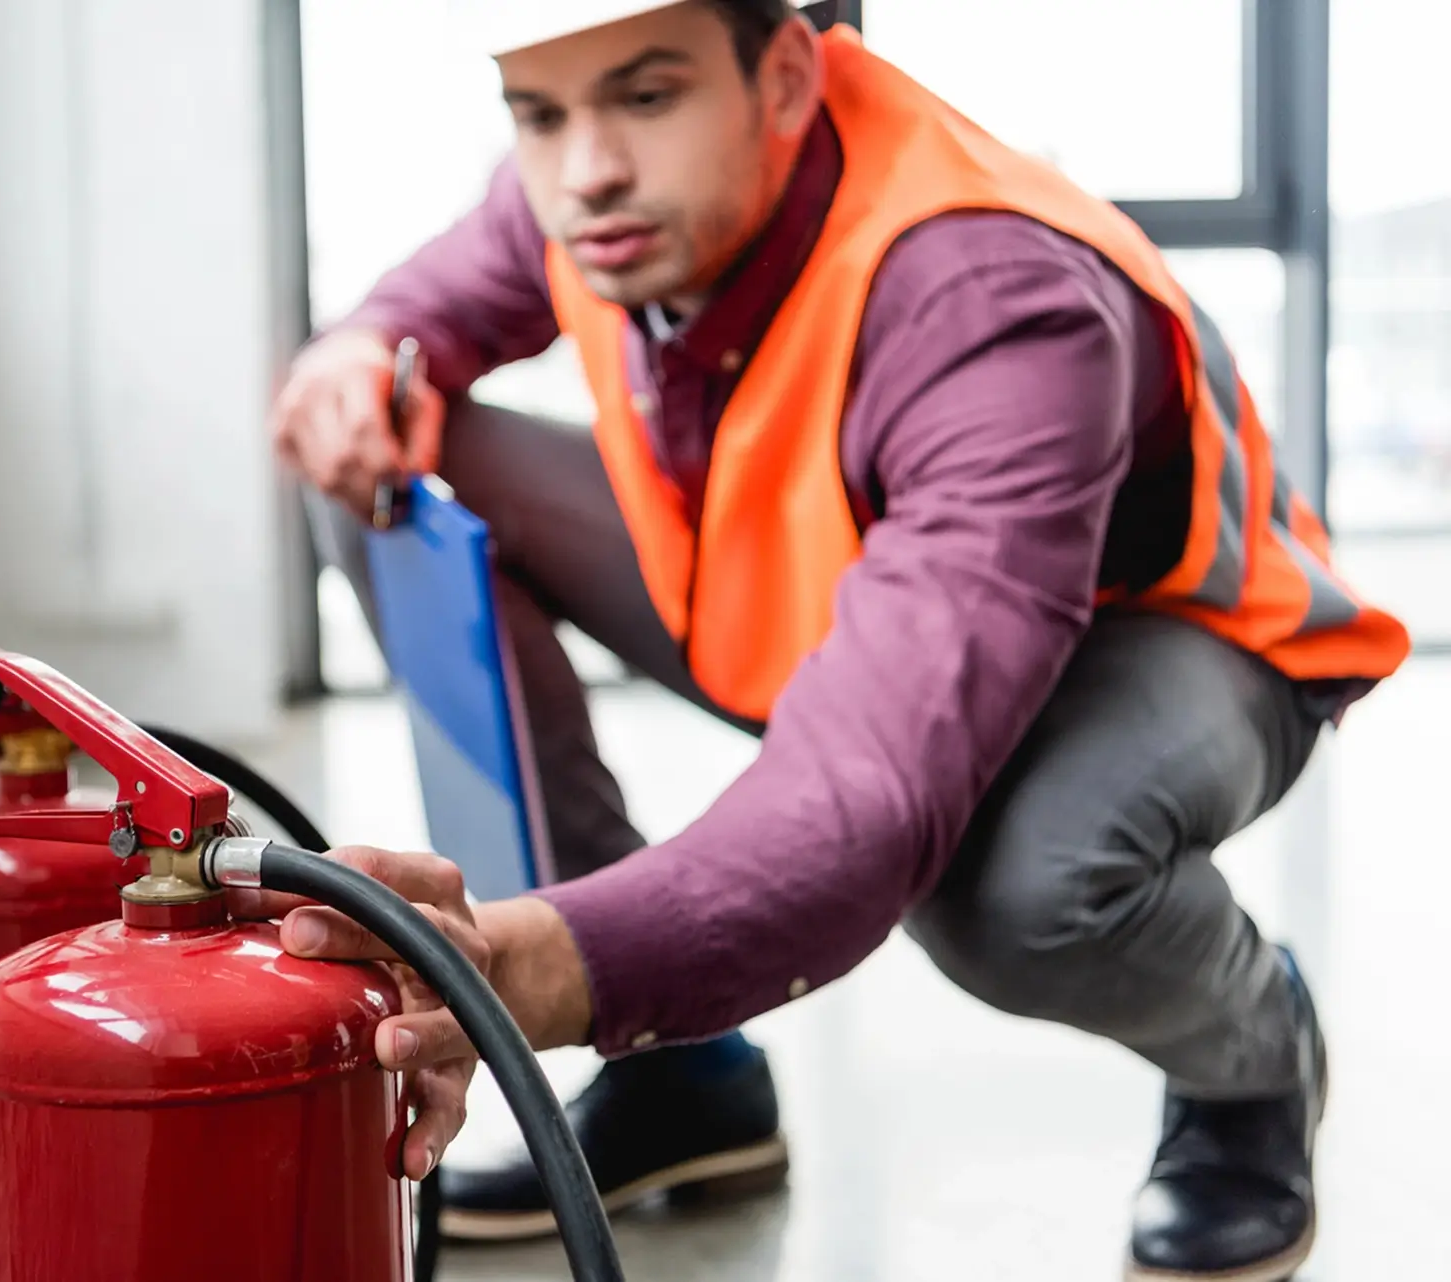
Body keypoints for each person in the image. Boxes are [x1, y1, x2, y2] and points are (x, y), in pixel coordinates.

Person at [257, 3, 1411, 1278]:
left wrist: (515, 967)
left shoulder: (992, 294)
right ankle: (685, 1086)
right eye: (540, 113)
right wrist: (358, 348)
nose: (584, 168)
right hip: (843, 587)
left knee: (1019, 889)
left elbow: (866, 797)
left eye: (648, 96)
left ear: (787, 75)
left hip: (1175, 631)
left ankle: (1252, 1052)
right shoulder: (599, 192)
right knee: (379, 449)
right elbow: (452, 283)